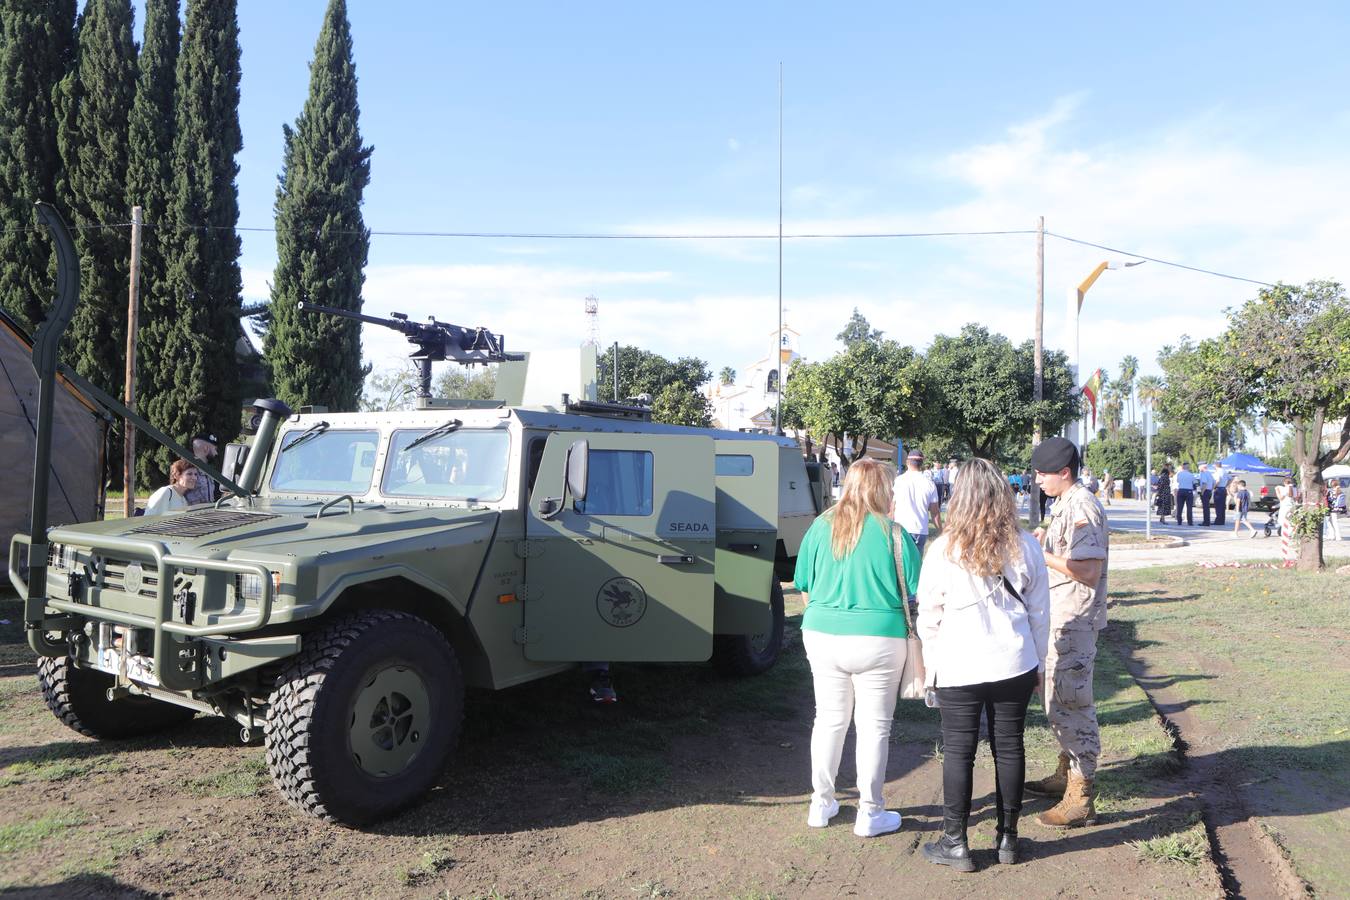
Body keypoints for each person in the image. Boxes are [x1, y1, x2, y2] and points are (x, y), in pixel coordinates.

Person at [917, 458, 1050, 872]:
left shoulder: (944, 549)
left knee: (959, 751)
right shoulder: (1025, 545)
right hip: (1014, 661)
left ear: (959, 498)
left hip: (958, 664)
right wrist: (1039, 664)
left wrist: (932, 665)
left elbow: (928, 615)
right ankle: (1008, 840)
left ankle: (955, 843)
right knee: (1009, 745)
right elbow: (1040, 613)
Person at [793, 458, 921, 838]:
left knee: (828, 720)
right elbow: (915, 589)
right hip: (881, 637)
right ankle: (870, 811)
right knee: (874, 728)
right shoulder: (895, 534)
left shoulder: (819, 528)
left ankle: (821, 802)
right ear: (882, 490)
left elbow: (804, 586)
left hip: (821, 633)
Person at [1027, 437, 1110, 828]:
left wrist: (1040, 556)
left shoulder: (1082, 506)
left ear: (1064, 473)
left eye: (1043, 473)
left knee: (1072, 706)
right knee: (1057, 701)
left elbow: (1088, 571)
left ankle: (1081, 797)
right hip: (1062, 619)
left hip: (1075, 622)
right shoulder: (1064, 503)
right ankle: (1066, 771)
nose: (1038, 480)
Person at [892, 449, 941, 553]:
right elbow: (935, 512)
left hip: (900, 528)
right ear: (921, 464)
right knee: (917, 564)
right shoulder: (929, 483)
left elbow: (892, 508)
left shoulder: (899, 481)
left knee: (900, 565)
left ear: (907, 462)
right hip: (920, 529)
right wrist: (941, 531)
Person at [184, 433, 219, 506]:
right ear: (206, 449)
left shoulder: (208, 472)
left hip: (209, 514)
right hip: (194, 516)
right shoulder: (187, 471)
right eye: (215, 449)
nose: (216, 453)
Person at [1212, 463, 1230, 527]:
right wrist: (1226, 485)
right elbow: (1230, 479)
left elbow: (1218, 480)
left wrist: (1213, 487)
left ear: (1215, 466)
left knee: (1218, 506)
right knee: (1222, 506)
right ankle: (1222, 520)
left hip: (1218, 489)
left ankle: (1218, 521)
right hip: (1223, 489)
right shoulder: (1224, 471)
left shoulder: (1217, 472)